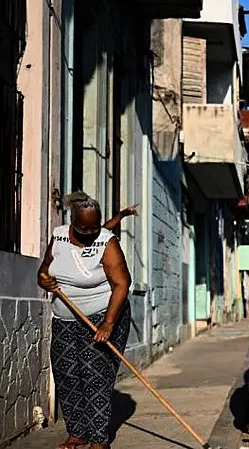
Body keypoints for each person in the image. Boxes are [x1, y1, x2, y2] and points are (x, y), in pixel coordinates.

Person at [37, 191, 133, 449]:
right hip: (65, 319)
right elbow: (44, 272)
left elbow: (122, 284)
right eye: (84, 227)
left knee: (94, 375)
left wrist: (108, 324)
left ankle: (99, 440)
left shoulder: (107, 241)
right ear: (72, 221)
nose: (91, 232)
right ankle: (77, 433)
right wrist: (44, 280)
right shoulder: (58, 236)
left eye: (95, 225)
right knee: (66, 374)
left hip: (104, 314)